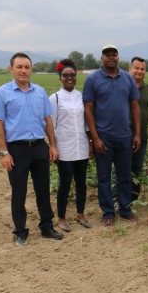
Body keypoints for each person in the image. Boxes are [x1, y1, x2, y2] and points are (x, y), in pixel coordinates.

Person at [0, 52, 64, 246]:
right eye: (19, 67)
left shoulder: (40, 92)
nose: (24, 71)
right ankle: (21, 231)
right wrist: (4, 152)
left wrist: (53, 145)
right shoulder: (2, 93)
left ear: (31, 69)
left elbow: (48, 119)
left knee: (43, 189)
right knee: (19, 191)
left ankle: (47, 227)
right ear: (11, 69)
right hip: (17, 150)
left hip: (39, 146)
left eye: (27, 67)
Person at [83, 45, 141, 227]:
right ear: (102, 58)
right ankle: (108, 212)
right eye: (107, 55)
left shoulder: (127, 79)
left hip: (125, 136)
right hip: (104, 137)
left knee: (124, 175)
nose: (111, 58)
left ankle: (125, 209)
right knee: (104, 177)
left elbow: (134, 107)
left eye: (114, 55)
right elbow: (88, 110)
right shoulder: (93, 79)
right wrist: (95, 138)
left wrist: (137, 134)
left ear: (118, 57)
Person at [50, 59, 93, 232]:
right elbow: (50, 125)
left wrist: (90, 142)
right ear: (60, 77)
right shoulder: (55, 98)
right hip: (64, 147)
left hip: (81, 145)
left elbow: (87, 123)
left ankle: (80, 214)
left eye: (72, 75)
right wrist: (53, 146)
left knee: (81, 182)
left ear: (76, 77)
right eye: (65, 75)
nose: (69, 78)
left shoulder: (82, 96)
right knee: (65, 183)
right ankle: (61, 217)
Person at [128, 57, 148, 201]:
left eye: (142, 69)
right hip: (122, 136)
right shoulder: (122, 86)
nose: (139, 71)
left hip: (142, 137)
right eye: (136, 68)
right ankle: (117, 198)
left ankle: (133, 199)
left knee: (137, 168)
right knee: (120, 169)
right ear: (129, 69)